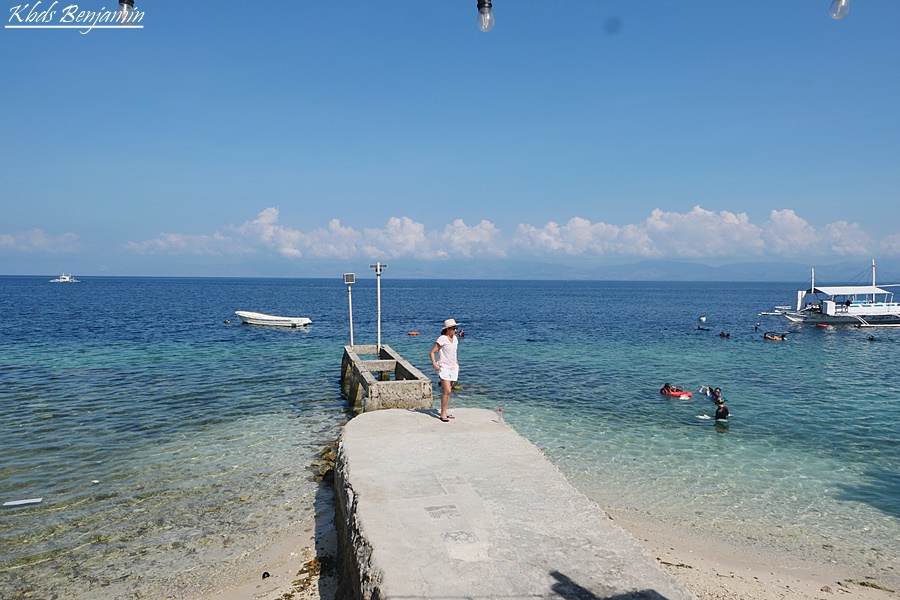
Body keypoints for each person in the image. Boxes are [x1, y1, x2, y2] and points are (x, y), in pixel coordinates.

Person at [430, 318, 460, 422]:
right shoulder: (442, 339)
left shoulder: (455, 339)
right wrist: (435, 364)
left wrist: (457, 364)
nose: (454, 330)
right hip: (444, 367)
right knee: (447, 390)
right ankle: (442, 413)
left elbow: (453, 353)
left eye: (455, 328)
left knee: (449, 391)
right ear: (447, 329)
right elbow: (432, 352)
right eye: (453, 328)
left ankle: (445, 411)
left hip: (453, 367)